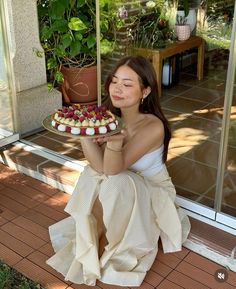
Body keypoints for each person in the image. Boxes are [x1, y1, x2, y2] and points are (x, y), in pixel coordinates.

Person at [46, 55, 191, 287]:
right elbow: (99, 166)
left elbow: (113, 170)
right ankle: (98, 237)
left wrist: (115, 142)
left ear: (145, 92)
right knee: (91, 174)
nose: (118, 89)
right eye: (114, 81)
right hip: (125, 188)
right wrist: (83, 133)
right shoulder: (111, 118)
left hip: (153, 193)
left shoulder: (153, 126)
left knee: (116, 182)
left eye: (127, 84)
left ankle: (114, 244)